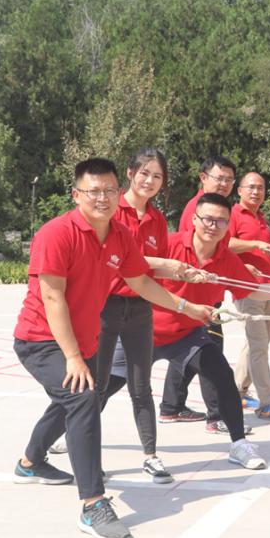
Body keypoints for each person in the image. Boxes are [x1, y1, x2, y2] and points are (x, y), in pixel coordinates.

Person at [12, 157, 212, 538]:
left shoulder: (120, 235)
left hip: (83, 340)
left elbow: (141, 283)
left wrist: (187, 307)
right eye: (93, 191)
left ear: (119, 193)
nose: (101, 198)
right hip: (41, 340)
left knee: (68, 400)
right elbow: (52, 298)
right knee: (83, 397)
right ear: (76, 195)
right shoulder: (56, 234)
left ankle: (30, 462)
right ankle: (93, 504)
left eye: (108, 190)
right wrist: (73, 357)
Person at [118, 192, 270, 473]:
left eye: (221, 221)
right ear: (194, 219)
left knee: (223, 376)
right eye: (208, 219)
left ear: (228, 225)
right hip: (144, 331)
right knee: (102, 387)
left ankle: (239, 444)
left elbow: (251, 289)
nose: (213, 226)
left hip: (186, 335)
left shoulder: (226, 259)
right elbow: (135, 269)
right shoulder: (169, 244)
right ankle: (70, 433)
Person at [88, 149, 209, 484]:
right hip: (105, 306)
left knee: (141, 387)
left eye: (157, 176)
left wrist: (185, 273)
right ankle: (85, 452)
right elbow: (117, 258)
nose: (150, 181)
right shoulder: (112, 210)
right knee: (97, 386)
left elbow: (150, 270)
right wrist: (165, 264)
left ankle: (150, 456)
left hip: (140, 308)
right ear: (130, 173)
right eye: (144, 173)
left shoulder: (156, 219)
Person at [160, 155, 238, 426]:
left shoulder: (220, 209)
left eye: (229, 179)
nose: (225, 183)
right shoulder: (199, 209)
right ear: (203, 178)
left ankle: (172, 406)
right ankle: (217, 416)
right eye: (220, 178)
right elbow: (189, 254)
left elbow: (221, 251)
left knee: (191, 354)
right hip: (190, 300)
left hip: (205, 296)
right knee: (210, 354)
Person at [227, 172, 270, 421]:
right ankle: (267, 403)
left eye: (260, 188)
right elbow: (224, 243)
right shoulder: (232, 214)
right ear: (239, 190)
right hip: (248, 290)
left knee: (256, 345)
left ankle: (238, 391)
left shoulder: (260, 217)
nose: (256, 192)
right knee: (259, 347)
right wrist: (254, 244)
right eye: (251, 187)